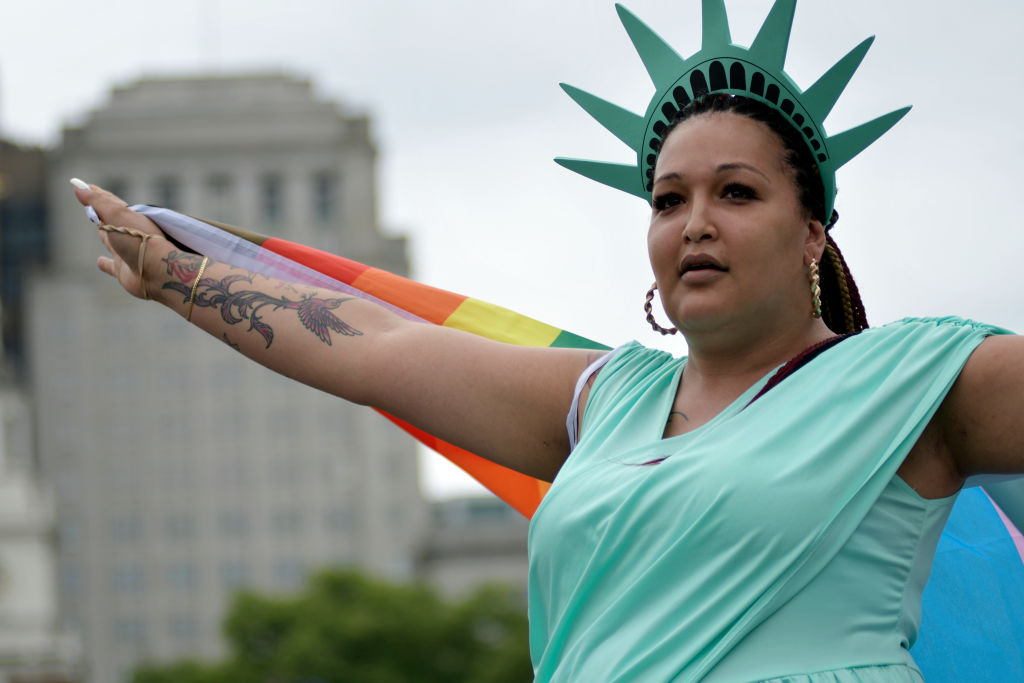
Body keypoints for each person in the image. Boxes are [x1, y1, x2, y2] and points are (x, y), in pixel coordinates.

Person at [71, 1, 1023, 680]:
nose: (694, 221)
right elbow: (369, 344)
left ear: (813, 230)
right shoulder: (604, 400)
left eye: (736, 192)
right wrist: (175, 274)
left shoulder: (921, 382)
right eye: (668, 199)